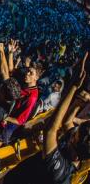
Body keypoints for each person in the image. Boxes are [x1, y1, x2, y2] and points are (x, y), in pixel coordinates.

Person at [44, 52, 90, 184]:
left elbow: (50, 130)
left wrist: (74, 87)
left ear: (74, 143)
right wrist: (78, 103)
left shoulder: (59, 171)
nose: (73, 131)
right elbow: (67, 123)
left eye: (75, 133)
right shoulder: (76, 150)